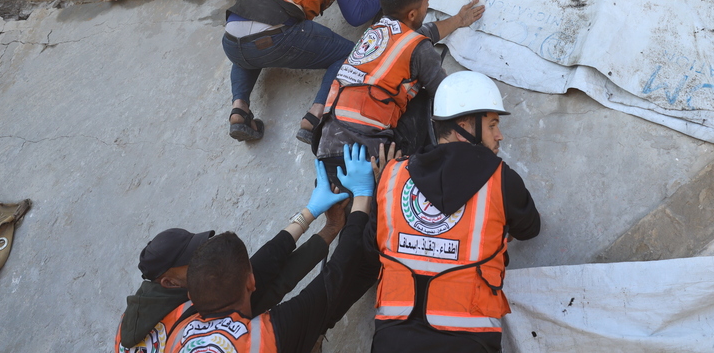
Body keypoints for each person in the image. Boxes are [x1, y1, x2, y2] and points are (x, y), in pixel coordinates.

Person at [370, 72, 541, 353]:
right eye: (492, 125)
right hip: (469, 340)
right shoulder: (502, 180)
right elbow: (530, 228)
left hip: (393, 338)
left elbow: (371, 244)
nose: (499, 135)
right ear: (464, 128)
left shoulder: (392, 175)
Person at [164, 147, 383, 353]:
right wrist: (363, 195)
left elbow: (268, 264)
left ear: (191, 296)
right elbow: (337, 274)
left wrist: (311, 213)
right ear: (251, 282)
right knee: (365, 267)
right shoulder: (267, 338)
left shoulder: (178, 328)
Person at [223, 0, 380, 145]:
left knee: (247, 45)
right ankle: (315, 117)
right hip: (274, 37)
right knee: (350, 54)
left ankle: (239, 110)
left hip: (231, 40)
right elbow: (356, 15)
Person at [114, 205, 345, 353]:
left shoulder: (132, 318)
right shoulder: (192, 316)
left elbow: (259, 269)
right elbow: (272, 283)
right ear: (169, 282)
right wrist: (331, 227)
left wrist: (311, 213)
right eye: (192, 260)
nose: (203, 258)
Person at [315, 0, 484, 170]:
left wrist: (458, 20)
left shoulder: (376, 32)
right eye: (426, 2)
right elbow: (444, 94)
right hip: (367, 156)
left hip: (326, 147)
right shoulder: (419, 49)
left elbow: (425, 32)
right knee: (425, 101)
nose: (428, 6)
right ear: (412, 14)